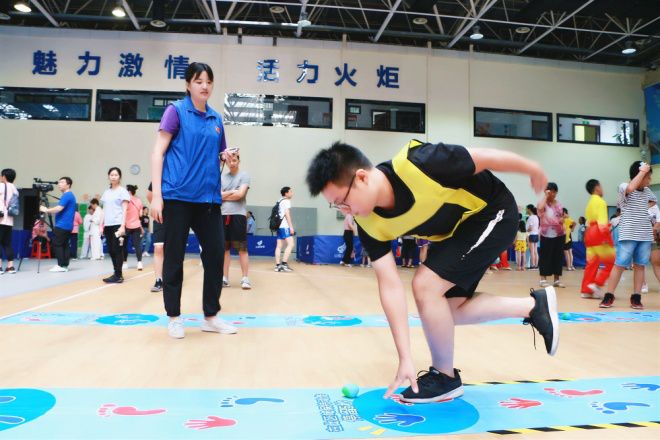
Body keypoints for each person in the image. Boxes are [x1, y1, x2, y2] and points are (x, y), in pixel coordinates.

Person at [306, 140, 558, 403]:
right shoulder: (368, 224)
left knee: (425, 285)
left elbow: (484, 157)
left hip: (494, 211)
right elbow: (390, 285)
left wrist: (531, 168)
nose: (344, 211)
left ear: (361, 178)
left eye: (342, 201)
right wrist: (405, 357)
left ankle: (444, 377)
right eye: (337, 206)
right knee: (444, 312)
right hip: (457, 233)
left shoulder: (421, 162)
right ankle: (533, 306)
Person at [150, 62, 237, 339]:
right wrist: (157, 197)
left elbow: (220, 154)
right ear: (188, 84)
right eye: (199, 81)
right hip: (177, 197)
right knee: (174, 257)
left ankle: (210, 316)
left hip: (208, 199)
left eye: (209, 81)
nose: (204, 86)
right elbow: (158, 153)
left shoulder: (216, 119)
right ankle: (174, 317)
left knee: (215, 255)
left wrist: (227, 158)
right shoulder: (175, 111)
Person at [600, 161, 653, 309]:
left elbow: (653, 201)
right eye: (647, 177)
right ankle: (609, 296)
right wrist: (642, 171)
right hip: (628, 234)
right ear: (639, 175)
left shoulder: (647, 191)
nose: (649, 181)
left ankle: (636, 297)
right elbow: (630, 188)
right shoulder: (624, 186)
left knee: (640, 266)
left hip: (645, 235)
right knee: (620, 265)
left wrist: (641, 210)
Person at [221, 153, 252, 290]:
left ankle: (245, 278)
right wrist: (233, 191)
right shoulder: (222, 177)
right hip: (222, 215)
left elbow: (240, 194)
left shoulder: (244, 175)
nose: (232, 163)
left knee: (242, 249)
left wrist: (225, 194)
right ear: (226, 162)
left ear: (239, 161)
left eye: (234, 160)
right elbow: (217, 195)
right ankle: (224, 278)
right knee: (224, 249)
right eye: (230, 161)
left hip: (238, 215)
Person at [580, 179, 614, 299]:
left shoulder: (589, 203)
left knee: (591, 264)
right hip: (598, 234)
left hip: (589, 234)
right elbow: (602, 223)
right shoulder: (601, 202)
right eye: (601, 186)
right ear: (597, 187)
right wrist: (606, 237)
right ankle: (597, 284)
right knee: (612, 263)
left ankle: (586, 290)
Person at [40, 177, 76, 273]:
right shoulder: (69, 195)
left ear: (68, 185)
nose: (59, 184)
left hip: (62, 225)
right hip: (67, 225)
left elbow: (58, 208)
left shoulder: (67, 195)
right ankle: (64, 265)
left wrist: (46, 210)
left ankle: (60, 265)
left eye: (62, 182)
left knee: (57, 244)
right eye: (59, 182)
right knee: (64, 245)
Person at [100, 167, 129, 283]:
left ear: (119, 177)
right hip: (108, 225)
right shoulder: (106, 192)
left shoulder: (123, 191)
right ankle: (116, 273)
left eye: (116, 175)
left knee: (117, 249)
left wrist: (123, 225)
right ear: (108, 176)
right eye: (111, 175)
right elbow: (104, 209)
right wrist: (101, 225)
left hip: (118, 224)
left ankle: (118, 275)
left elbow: (125, 209)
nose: (113, 177)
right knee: (111, 250)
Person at [537, 182, 566, 288]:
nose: (552, 194)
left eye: (554, 192)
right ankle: (543, 280)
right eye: (550, 191)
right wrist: (545, 196)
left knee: (558, 257)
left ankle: (556, 280)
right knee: (545, 257)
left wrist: (562, 219)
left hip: (559, 234)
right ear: (546, 192)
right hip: (546, 234)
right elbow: (540, 208)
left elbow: (561, 216)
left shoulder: (559, 204)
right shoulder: (543, 203)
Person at [146, 183, 164, 292]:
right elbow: (149, 195)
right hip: (160, 217)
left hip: (176, 217)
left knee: (172, 249)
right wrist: (157, 207)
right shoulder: (157, 179)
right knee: (158, 248)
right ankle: (159, 280)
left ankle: (171, 277)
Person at [122, 184, 144, 271]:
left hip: (126, 225)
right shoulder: (139, 200)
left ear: (129, 191)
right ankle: (139, 263)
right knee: (137, 245)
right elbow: (141, 215)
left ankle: (125, 263)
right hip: (136, 226)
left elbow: (122, 213)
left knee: (124, 245)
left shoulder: (125, 200)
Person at [0, 168, 18, 274]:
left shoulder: (1, 186)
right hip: (9, 220)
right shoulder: (14, 188)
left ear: (4, 176)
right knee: (7, 243)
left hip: (1, 218)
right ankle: (10, 267)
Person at [274, 186, 295, 273]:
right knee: (291, 244)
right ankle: (284, 264)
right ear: (286, 193)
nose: (292, 193)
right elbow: (287, 214)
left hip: (279, 226)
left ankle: (277, 266)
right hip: (284, 226)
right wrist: (291, 227)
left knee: (279, 246)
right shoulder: (286, 201)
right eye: (291, 191)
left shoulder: (280, 200)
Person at [525, 204, 539, 269]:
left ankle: (533, 265)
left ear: (529, 209)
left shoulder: (531, 217)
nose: (526, 210)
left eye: (526, 209)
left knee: (532, 251)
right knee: (535, 251)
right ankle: (536, 265)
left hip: (531, 235)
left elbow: (530, 228)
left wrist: (525, 231)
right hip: (536, 235)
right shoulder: (536, 217)